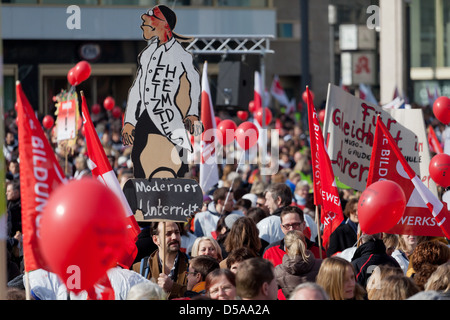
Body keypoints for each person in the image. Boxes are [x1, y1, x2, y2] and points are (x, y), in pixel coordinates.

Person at [122, 4, 202, 179]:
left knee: (180, 153)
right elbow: (137, 88)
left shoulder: (181, 55)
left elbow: (194, 82)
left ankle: (181, 180)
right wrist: (130, 121)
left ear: (162, 24)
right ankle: (142, 187)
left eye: (149, 21)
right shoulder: (147, 54)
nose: (144, 25)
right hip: (147, 113)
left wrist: (192, 113)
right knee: (137, 153)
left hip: (169, 113)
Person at [132, 221, 189, 299]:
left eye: (177, 232)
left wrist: (173, 287)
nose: (174, 237)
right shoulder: (139, 269)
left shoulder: (193, 266)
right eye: (168, 234)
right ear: (156, 240)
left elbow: (200, 295)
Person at [274, 230, 322, 299]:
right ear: (305, 244)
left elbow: (268, 292)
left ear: (286, 248)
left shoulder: (278, 271)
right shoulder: (321, 265)